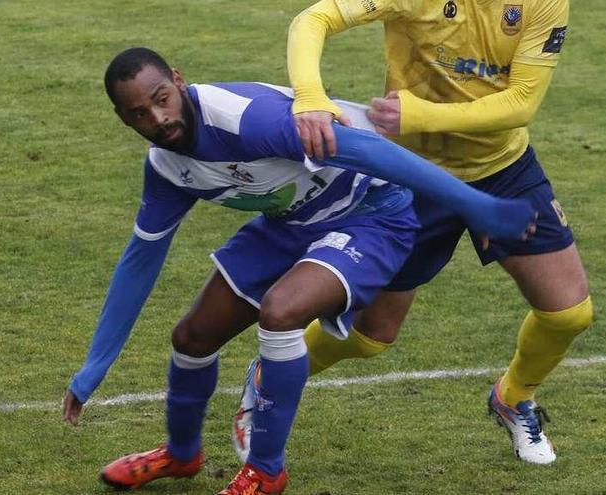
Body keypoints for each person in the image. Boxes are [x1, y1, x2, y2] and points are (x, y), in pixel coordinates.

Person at [62, 47, 537, 494]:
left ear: (178, 82)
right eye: (138, 114)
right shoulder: (167, 166)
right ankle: (182, 455)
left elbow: (373, 153)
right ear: (123, 118)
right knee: (192, 337)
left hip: (371, 213)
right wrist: (94, 366)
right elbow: (140, 259)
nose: (158, 119)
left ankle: (265, 472)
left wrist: (479, 207)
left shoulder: (248, 119)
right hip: (290, 222)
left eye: (161, 100)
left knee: (282, 311)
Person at [242, 0, 593, 465]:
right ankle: (269, 379)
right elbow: (314, 18)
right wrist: (310, 96)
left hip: (502, 168)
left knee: (568, 314)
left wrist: (419, 115)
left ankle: (513, 396)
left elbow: (521, 103)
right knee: (371, 336)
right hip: (412, 176)